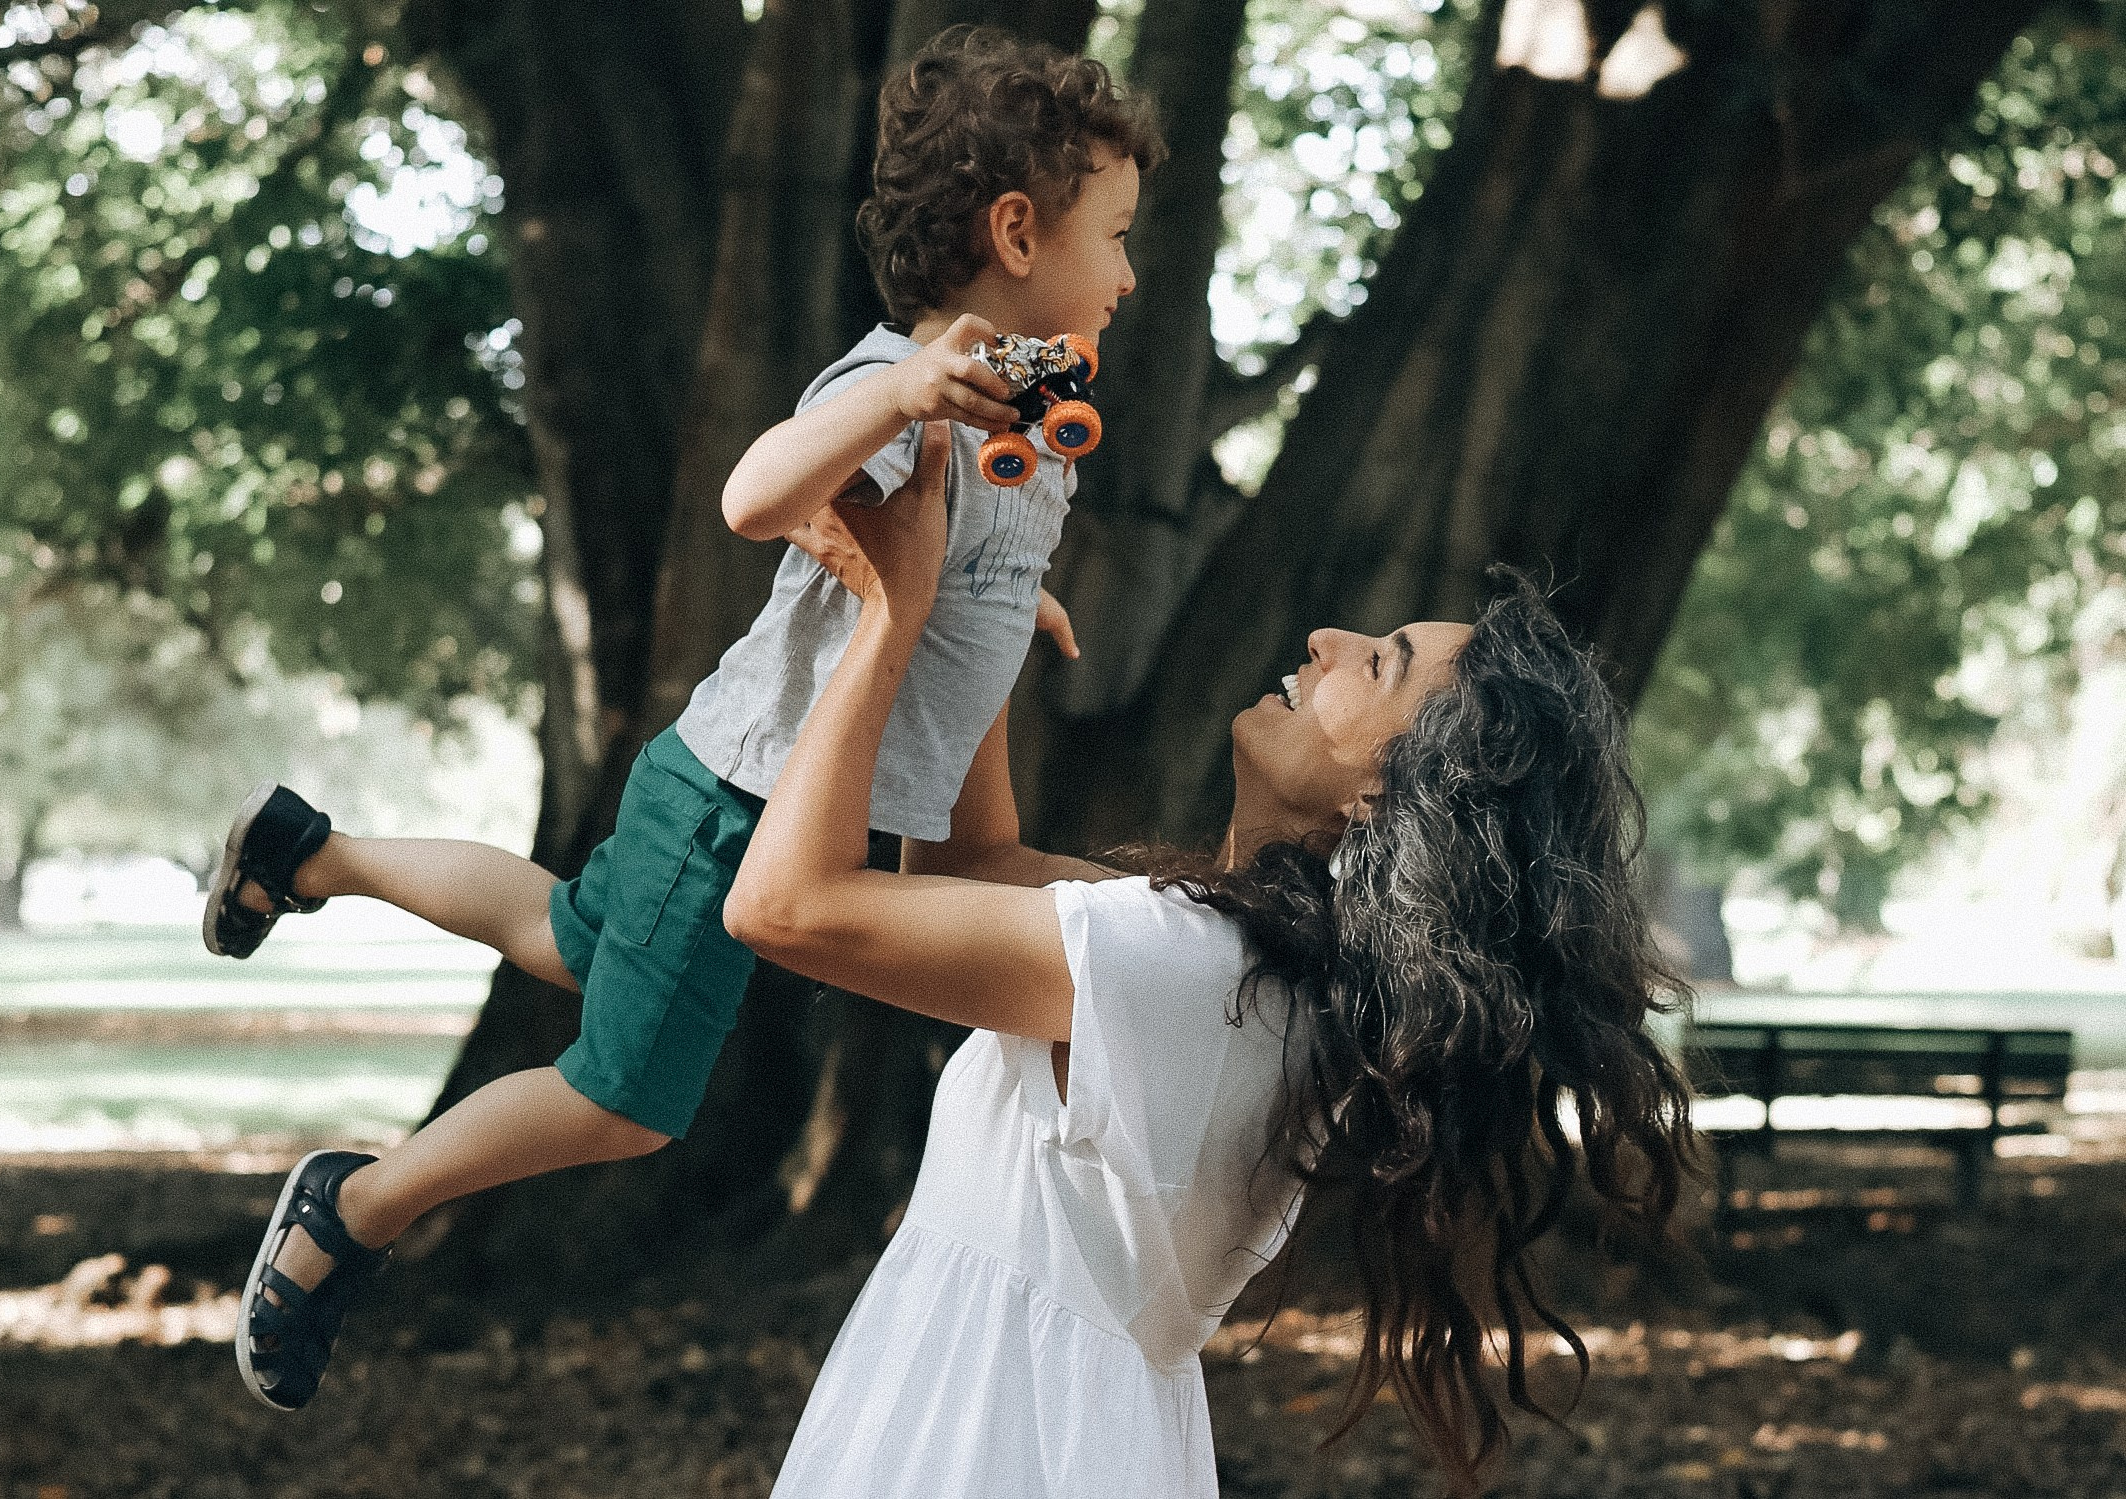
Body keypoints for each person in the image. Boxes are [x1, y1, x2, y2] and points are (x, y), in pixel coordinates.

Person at [209, 26, 1165, 1413]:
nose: (1131, 274)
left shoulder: (1032, 410)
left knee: (560, 933)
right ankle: (352, 1207)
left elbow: (954, 563)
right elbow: (758, 495)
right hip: (741, 807)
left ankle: (310, 851)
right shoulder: (900, 382)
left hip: (735, 786)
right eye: (1117, 236)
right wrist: (894, 397)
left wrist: (1009, 606)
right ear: (1017, 231)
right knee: (620, 1095)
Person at [724, 421, 1703, 1497]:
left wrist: (890, 613)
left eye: (1373, 662)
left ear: (1386, 793)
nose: (1326, 636)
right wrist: (981, 599)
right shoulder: (1260, 964)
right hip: (1043, 1421)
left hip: (986, 1434)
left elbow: (782, 907)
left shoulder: (1189, 964)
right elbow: (972, 864)